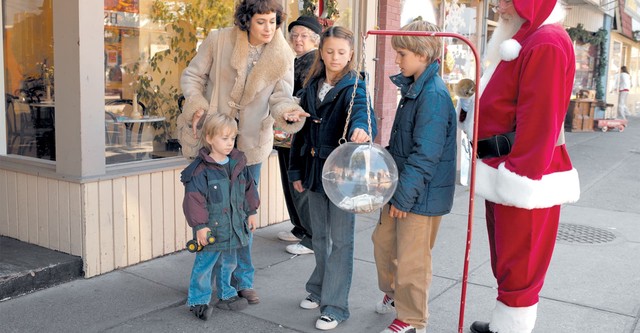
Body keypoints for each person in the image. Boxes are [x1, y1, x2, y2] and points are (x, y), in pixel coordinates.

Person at [180, 0, 310, 306]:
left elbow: (281, 97)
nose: (268, 29)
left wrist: (289, 112)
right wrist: (198, 104)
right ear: (246, 20)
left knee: (243, 216)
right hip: (214, 139)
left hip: (249, 146)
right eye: (262, 21)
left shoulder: (283, 54)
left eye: (273, 22)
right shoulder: (219, 39)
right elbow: (192, 77)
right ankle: (211, 282)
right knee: (211, 215)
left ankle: (242, 281)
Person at [465, 1, 581, 332]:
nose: (499, 7)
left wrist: (519, 175)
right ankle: (505, 325)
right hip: (504, 170)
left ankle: (512, 328)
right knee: (508, 261)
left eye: (505, 0)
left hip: (524, 175)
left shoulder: (546, 42)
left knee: (520, 265)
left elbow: (540, 122)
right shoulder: (529, 38)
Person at [288, 26, 377, 330]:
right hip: (314, 172)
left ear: (351, 54)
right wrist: (296, 171)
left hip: (342, 176)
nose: (335, 57)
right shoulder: (312, 85)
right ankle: (319, 288)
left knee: (341, 242)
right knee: (320, 237)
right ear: (321, 52)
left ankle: (335, 306)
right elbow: (300, 133)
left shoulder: (355, 86)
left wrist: (363, 128)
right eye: (329, 51)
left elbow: (364, 113)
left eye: (341, 52)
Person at [371, 20, 457, 333]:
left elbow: (426, 154)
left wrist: (404, 197)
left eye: (402, 53)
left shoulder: (432, 95)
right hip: (402, 185)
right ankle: (397, 296)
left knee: (412, 260)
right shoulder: (415, 87)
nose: (397, 59)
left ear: (422, 54)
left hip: (421, 194)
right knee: (383, 243)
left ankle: (412, 319)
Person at [181, 113, 260, 319]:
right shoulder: (200, 170)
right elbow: (194, 200)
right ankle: (198, 300)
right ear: (209, 138)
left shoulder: (238, 163)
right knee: (205, 264)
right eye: (223, 138)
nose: (229, 143)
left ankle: (227, 293)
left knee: (229, 262)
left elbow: (249, 189)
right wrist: (200, 226)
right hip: (212, 228)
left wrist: (251, 212)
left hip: (233, 226)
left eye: (232, 138)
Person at [274, 15, 323, 256]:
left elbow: (302, 94)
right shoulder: (295, 59)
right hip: (287, 131)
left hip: (301, 132)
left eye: (303, 35)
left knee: (299, 182)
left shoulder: (315, 61)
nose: (298, 39)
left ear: (315, 39)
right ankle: (300, 227)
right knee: (290, 180)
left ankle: (311, 236)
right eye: (294, 35)